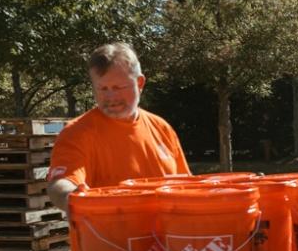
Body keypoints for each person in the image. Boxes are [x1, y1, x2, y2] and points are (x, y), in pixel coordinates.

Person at [47, 43, 191, 210]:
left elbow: (185, 185)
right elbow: (60, 184)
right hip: (109, 235)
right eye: (103, 88)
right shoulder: (77, 132)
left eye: (118, 87)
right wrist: (72, 200)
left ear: (140, 83)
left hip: (164, 234)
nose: (111, 96)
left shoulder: (161, 128)